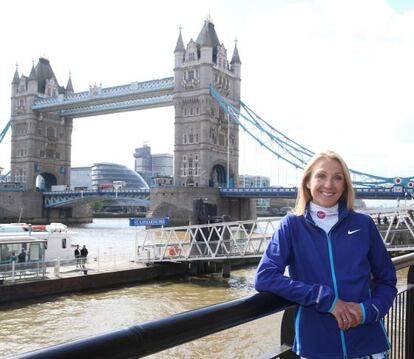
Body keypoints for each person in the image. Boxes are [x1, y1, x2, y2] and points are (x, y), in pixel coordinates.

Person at [255, 150, 397, 359]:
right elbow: (265, 277)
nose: (329, 185)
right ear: (307, 182)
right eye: (321, 176)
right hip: (317, 348)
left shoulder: (363, 224)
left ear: (345, 185)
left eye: (337, 178)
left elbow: (387, 280)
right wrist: (321, 297)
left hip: (368, 345)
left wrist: (369, 310)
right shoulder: (291, 226)